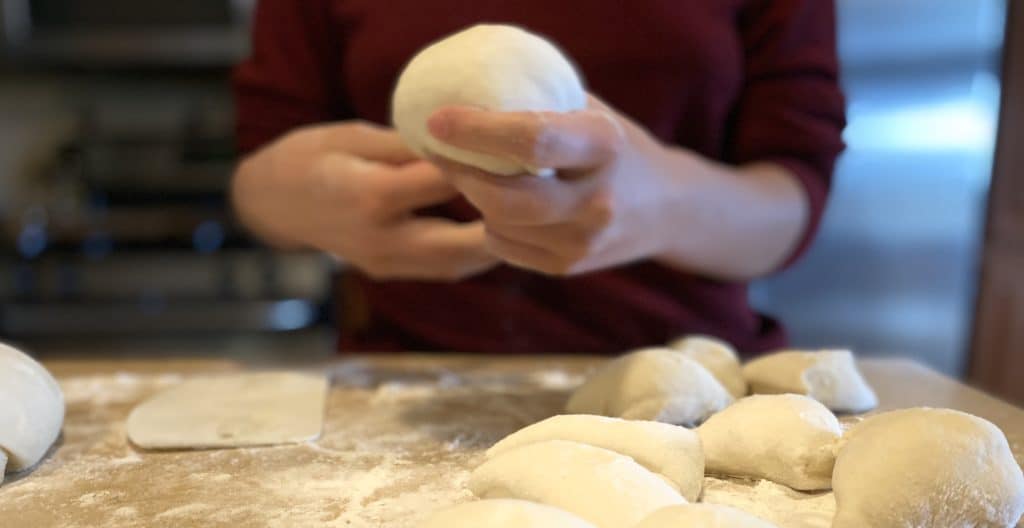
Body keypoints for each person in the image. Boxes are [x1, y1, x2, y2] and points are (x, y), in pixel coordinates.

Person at [231, 2, 845, 354]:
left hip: (682, 384)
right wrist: (289, 201)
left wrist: (666, 203)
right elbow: (262, 166)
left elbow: (795, 193)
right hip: (408, 384)